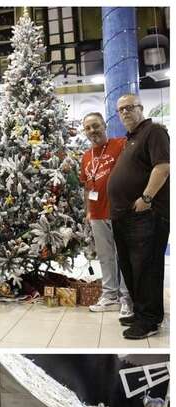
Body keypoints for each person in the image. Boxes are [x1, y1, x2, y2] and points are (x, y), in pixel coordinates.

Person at [107, 94, 170, 340]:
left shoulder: (154, 132)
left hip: (146, 215)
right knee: (131, 268)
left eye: (129, 107)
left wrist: (146, 198)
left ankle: (149, 320)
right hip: (125, 216)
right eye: (121, 109)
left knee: (146, 268)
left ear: (141, 108)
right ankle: (141, 312)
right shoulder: (130, 139)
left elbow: (163, 167)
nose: (125, 112)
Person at [79, 112, 131, 316]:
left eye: (96, 125)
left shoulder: (120, 145)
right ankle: (110, 296)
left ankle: (127, 297)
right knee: (105, 257)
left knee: (124, 256)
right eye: (88, 128)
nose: (92, 130)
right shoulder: (86, 156)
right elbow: (86, 187)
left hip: (120, 211)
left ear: (104, 125)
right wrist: (88, 211)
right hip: (97, 213)